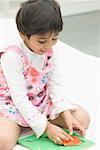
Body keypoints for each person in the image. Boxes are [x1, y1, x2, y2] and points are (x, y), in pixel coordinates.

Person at [0, 0, 90, 149]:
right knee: (3, 141)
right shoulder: (12, 57)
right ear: (23, 35)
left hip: (40, 101)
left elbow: (55, 83)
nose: (48, 45)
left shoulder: (49, 51)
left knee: (82, 118)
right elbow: (19, 98)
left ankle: (34, 124)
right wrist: (47, 128)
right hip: (13, 105)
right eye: (41, 41)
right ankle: (21, 125)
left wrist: (65, 112)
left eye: (54, 39)